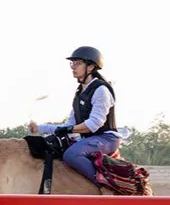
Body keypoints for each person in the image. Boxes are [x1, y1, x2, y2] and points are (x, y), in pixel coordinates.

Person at [29, 46, 125, 187]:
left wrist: (69, 130)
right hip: (90, 139)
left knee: (71, 155)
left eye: (78, 63)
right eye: (72, 63)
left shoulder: (101, 90)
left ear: (91, 67)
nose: (73, 67)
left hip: (106, 139)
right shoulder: (79, 93)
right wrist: (40, 128)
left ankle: (104, 186)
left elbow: (93, 125)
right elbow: (70, 124)